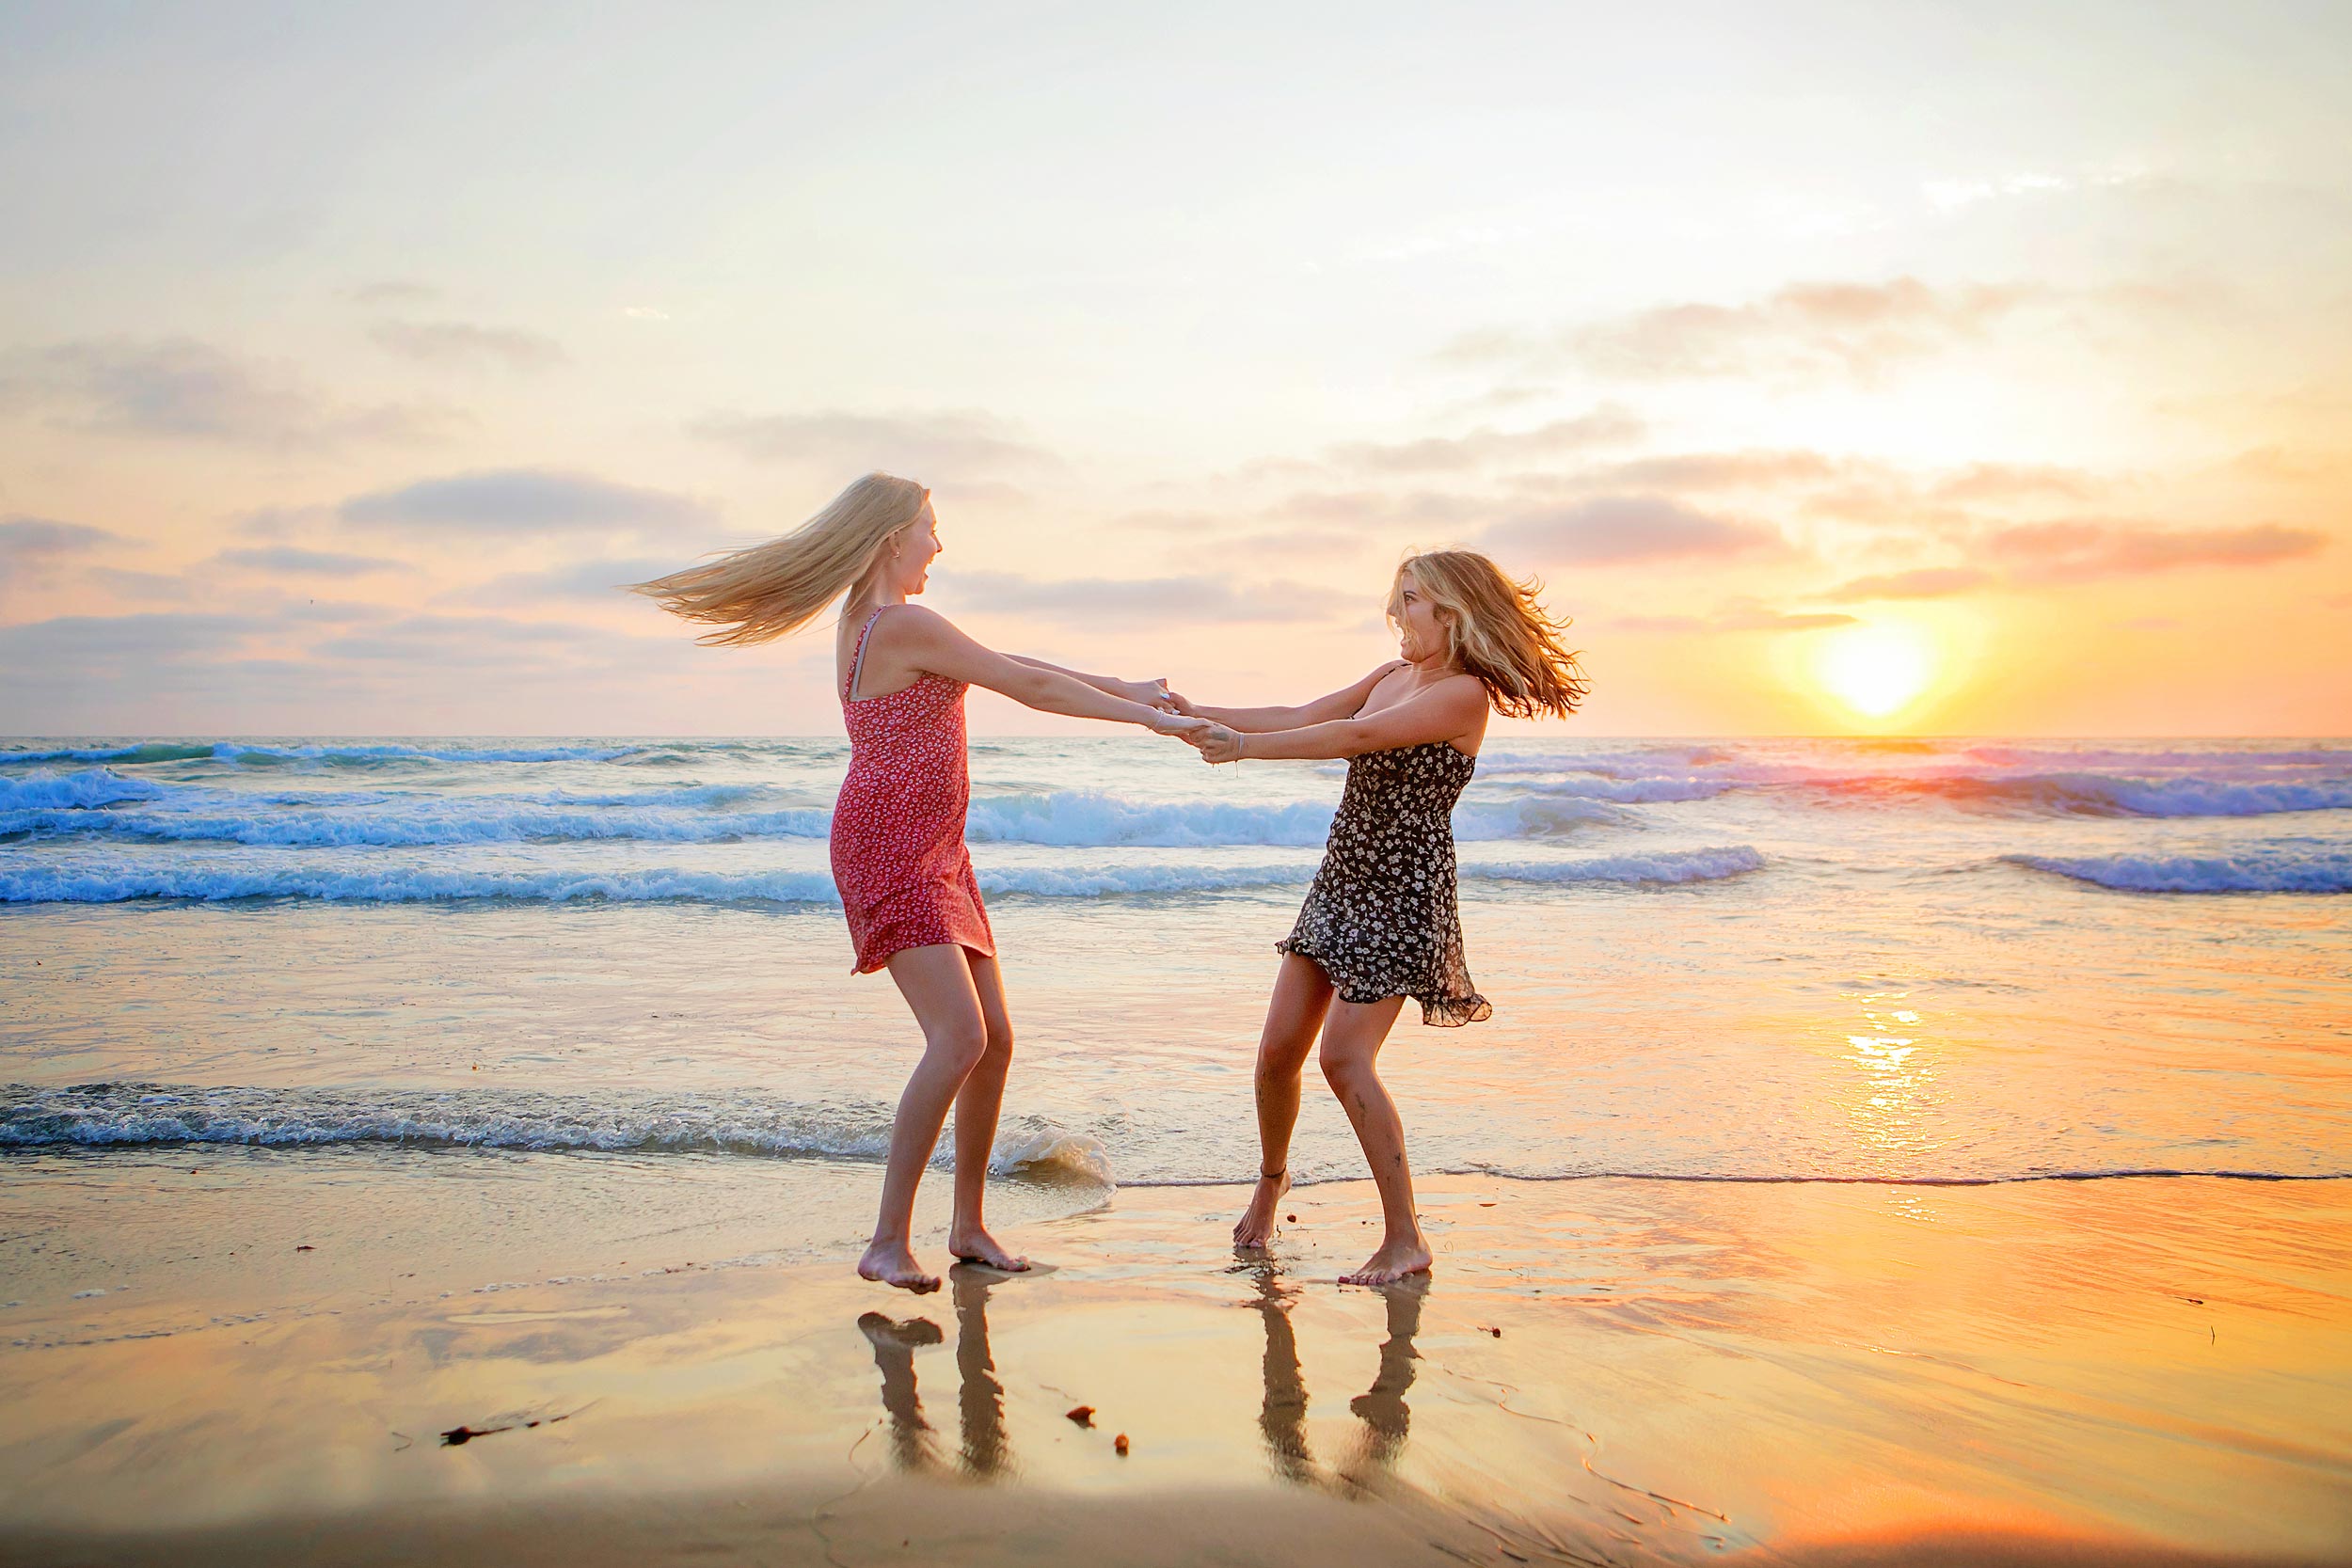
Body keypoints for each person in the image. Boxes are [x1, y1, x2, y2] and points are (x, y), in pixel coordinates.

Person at [631, 474, 1207, 1291]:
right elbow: (1028, 687)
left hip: (936, 847)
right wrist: (1148, 719)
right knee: (960, 1038)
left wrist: (1125, 685)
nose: (939, 544)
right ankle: (886, 1239)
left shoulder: (881, 624)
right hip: (891, 844)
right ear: (891, 537)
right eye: (931, 528)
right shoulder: (898, 623)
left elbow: (1010, 665)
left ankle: (968, 1226)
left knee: (994, 1037)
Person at [1180, 550, 1585, 1285]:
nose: (1397, 613)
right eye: (1397, 598)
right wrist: (1195, 714)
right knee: (1276, 1056)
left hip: (1403, 895)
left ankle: (1407, 1237)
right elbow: (1305, 716)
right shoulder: (1391, 676)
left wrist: (1243, 751)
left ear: (1452, 613)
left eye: (1411, 600)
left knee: (1343, 1058)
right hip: (1341, 879)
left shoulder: (1464, 695)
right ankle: (1271, 1183)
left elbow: (1358, 738)